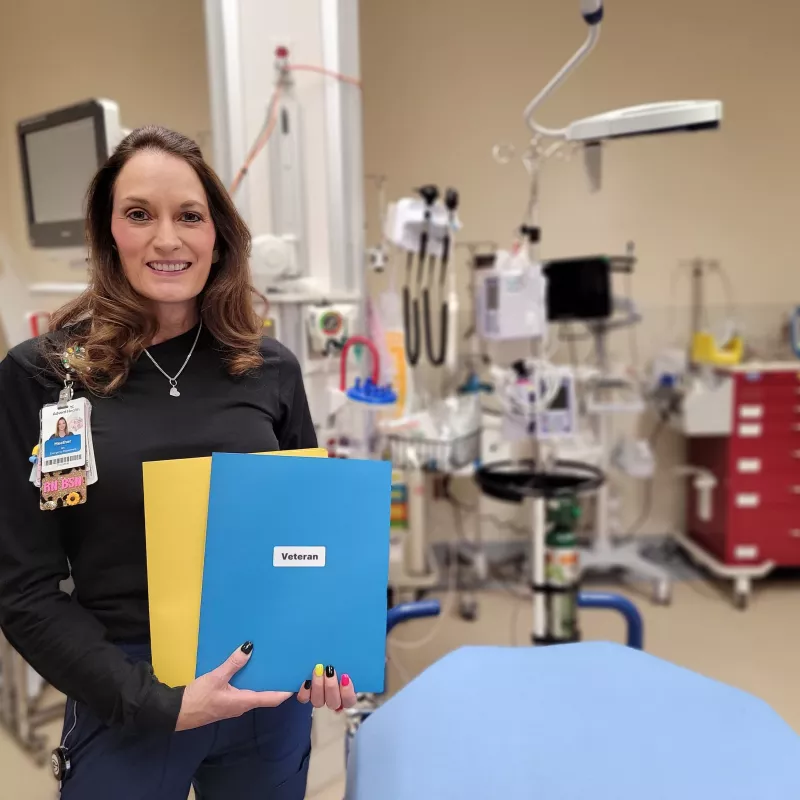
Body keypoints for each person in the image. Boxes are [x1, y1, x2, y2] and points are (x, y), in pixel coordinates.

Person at [0, 126, 356, 799]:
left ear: (218, 235)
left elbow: (306, 539)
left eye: (189, 216)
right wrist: (152, 701)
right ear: (109, 234)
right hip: (126, 692)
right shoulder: (43, 377)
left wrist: (325, 642)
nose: (168, 239)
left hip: (262, 686)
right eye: (140, 214)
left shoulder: (268, 368)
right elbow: (23, 589)